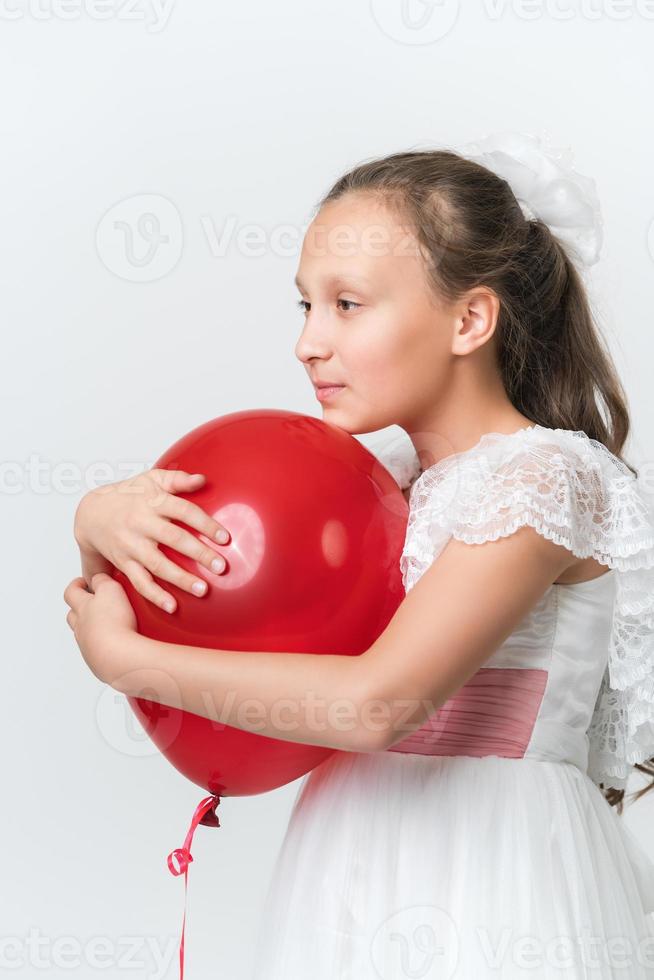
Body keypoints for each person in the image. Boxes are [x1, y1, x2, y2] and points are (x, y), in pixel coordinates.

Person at [66, 132, 654, 978]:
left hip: (488, 873)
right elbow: (216, 619)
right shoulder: (373, 485)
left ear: (470, 319)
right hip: (350, 856)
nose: (309, 342)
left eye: (348, 305)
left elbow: (381, 705)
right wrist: (97, 528)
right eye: (304, 306)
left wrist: (128, 662)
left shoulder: (545, 482)